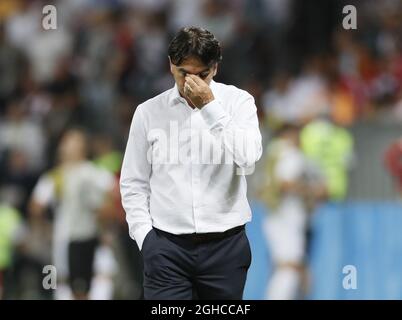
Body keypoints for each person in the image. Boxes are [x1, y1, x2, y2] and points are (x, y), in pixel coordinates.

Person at [120, 26, 262, 300]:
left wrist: (211, 108)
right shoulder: (148, 112)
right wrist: (145, 238)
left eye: (202, 75)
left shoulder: (238, 102)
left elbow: (249, 158)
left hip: (226, 247)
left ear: (215, 69)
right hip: (167, 247)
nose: (191, 83)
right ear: (171, 65)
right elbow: (133, 182)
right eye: (184, 73)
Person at [29, 128, 116, 299]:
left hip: (90, 237)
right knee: (61, 286)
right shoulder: (55, 177)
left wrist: (103, 217)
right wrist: (46, 228)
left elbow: (114, 192)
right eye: (67, 141)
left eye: (74, 141)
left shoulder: (91, 172)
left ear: (83, 147)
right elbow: (36, 206)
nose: (68, 145)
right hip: (63, 240)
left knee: (94, 285)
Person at [259, 124, 326, 300]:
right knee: (290, 266)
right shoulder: (289, 154)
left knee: (289, 265)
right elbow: (285, 183)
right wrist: (311, 191)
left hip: (277, 216)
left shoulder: (273, 153)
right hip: (286, 218)